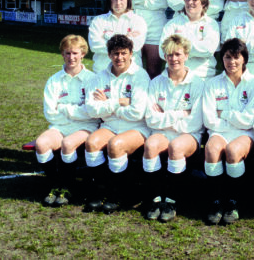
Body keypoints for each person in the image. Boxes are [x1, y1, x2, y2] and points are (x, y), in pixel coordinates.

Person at [83, 34, 151, 214]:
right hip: (110, 125)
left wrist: (107, 103)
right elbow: (91, 109)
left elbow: (138, 112)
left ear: (131, 54)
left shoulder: (139, 75)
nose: (119, 58)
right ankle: (99, 191)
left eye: (123, 53)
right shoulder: (100, 77)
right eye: (115, 54)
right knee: (92, 143)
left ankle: (119, 193)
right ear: (109, 54)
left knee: (116, 145)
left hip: (137, 127)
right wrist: (119, 101)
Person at [142, 35, 205, 222]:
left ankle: (171, 200)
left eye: (177, 54)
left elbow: (195, 122)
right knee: (151, 145)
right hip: (162, 132)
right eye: (169, 54)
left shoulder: (197, 83)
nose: (173, 59)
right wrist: (178, 113)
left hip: (189, 134)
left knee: (176, 147)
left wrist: (164, 114)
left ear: (186, 55)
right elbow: (150, 119)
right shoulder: (156, 83)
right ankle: (154, 199)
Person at [202, 38, 254, 224]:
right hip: (219, 132)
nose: (231, 62)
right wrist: (235, 119)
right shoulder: (212, 84)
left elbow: (250, 119)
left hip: (246, 134)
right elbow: (209, 119)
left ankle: (234, 202)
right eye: (227, 57)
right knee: (211, 150)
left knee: (233, 151)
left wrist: (224, 113)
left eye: (236, 57)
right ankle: (216, 201)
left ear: (244, 59)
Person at [35, 35, 99, 207]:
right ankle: (55, 185)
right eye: (67, 53)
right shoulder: (54, 80)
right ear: (62, 54)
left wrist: (65, 108)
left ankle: (68, 187)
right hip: (60, 126)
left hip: (87, 126)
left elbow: (93, 113)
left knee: (68, 144)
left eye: (75, 53)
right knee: (41, 144)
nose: (72, 57)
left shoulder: (92, 79)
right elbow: (50, 113)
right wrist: (78, 111)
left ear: (83, 54)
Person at [158, 0, 220, 80]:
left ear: (203, 3)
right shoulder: (172, 24)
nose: (190, 2)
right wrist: (196, 48)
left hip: (203, 76)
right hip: (176, 76)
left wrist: (177, 48)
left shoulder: (211, 24)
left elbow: (208, 49)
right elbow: (162, 52)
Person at [88, 0, 147, 72]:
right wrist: (126, 37)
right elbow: (94, 45)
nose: (118, 3)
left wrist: (108, 39)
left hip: (131, 73)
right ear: (109, 0)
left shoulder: (138, 21)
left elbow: (136, 46)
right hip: (102, 72)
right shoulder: (98, 21)